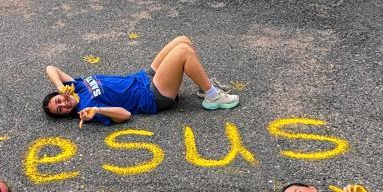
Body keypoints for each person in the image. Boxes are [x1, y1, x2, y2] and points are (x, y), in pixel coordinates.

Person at [42, 35, 239, 126]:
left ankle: (204, 86)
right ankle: (212, 96)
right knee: (183, 52)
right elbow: (125, 115)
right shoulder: (86, 108)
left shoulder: (74, 87)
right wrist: (98, 110)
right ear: (65, 115)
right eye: (60, 110)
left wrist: (60, 86)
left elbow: (50, 68)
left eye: (58, 100)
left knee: (183, 40)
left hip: (143, 78)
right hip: (152, 95)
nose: (63, 104)